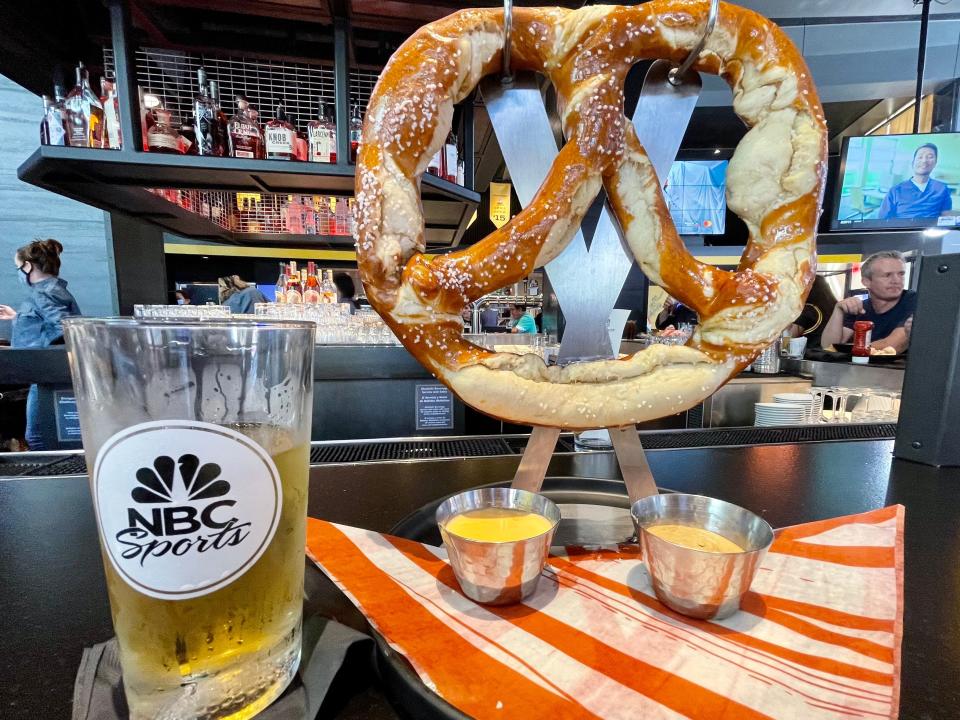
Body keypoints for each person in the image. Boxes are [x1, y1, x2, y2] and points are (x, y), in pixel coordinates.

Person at [0, 239, 81, 450]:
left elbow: (64, 327)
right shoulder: (53, 290)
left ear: (28, 266)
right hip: (53, 375)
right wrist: (18, 318)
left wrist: (35, 353)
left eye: (18, 267)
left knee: (38, 437)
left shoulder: (44, 293)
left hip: (48, 375)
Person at [820, 250, 915, 353]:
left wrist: (843, 350)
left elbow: (891, 347)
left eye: (901, 274)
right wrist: (838, 309)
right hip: (863, 367)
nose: (897, 280)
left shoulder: (915, 301)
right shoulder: (860, 308)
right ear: (866, 281)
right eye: (887, 275)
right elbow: (828, 346)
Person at [878, 143, 952, 220]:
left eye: (930, 157)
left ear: (935, 163)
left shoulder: (942, 188)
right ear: (913, 162)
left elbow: (946, 218)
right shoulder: (895, 191)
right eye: (920, 157)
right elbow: (882, 221)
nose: (924, 161)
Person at [789, 274, 837, 348]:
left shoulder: (807, 310)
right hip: (830, 354)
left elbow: (789, 336)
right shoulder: (833, 308)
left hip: (810, 355)